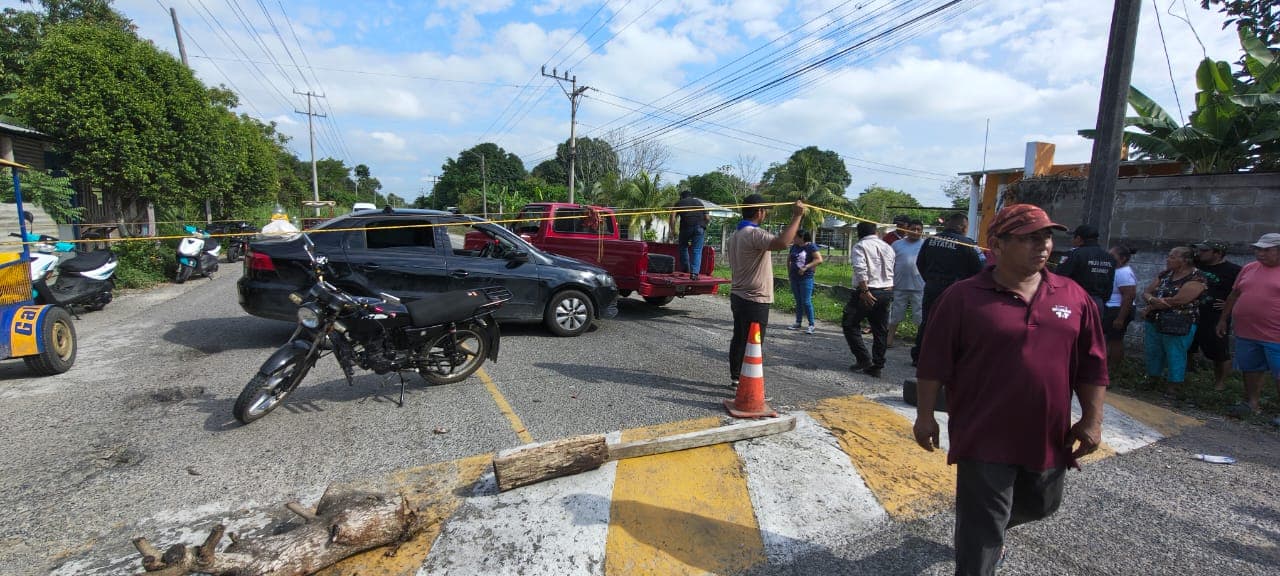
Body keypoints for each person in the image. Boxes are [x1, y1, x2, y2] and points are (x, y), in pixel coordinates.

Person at [912, 204, 1107, 576]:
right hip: (983, 431)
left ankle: (990, 528)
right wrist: (925, 416)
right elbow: (933, 362)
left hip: (1048, 432)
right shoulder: (963, 297)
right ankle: (982, 543)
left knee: (1043, 504)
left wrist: (1092, 419)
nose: (1043, 245)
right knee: (981, 527)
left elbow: (1093, 363)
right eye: (1029, 238)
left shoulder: (1072, 295)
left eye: (1047, 236)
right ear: (997, 245)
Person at [726, 194, 805, 388]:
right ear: (759, 212)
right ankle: (747, 384)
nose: (765, 214)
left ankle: (737, 378)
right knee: (753, 344)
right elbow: (782, 243)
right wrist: (797, 216)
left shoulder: (735, 235)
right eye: (765, 211)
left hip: (739, 295)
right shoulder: (754, 234)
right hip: (754, 299)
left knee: (740, 338)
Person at [1218, 233, 1280, 422]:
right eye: (1258, 249)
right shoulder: (1249, 268)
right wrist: (1223, 319)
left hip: (1276, 333)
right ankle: (1252, 403)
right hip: (1247, 332)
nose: (1260, 253)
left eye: (1266, 250)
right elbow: (1234, 295)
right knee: (1251, 369)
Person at [911, 212, 982, 366]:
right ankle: (946, 358)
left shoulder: (931, 240)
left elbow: (920, 263)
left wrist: (930, 279)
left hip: (932, 287)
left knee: (928, 321)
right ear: (964, 227)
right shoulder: (967, 244)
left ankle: (919, 356)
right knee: (952, 324)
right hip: (955, 290)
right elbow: (980, 268)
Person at [1139, 247, 1208, 397]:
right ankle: (1152, 379)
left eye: (1172, 257)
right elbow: (1146, 292)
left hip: (1179, 321)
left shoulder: (1197, 277)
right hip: (1155, 320)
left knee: (1175, 352)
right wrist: (1152, 300)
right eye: (1169, 256)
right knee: (1154, 351)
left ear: (1185, 261)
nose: (1167, 259)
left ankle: (1174, 386)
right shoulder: (1165, 274)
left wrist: (1151, 305)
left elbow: (1181, 299)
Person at [843, 220, 895, 378]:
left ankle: (864, 359)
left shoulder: (860, 246)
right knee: (880, 329)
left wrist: (864, 290)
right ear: (876, 232)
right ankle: (877, 365)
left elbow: (860, 268)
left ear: (859, 233)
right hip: (886, 290)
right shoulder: (887, 246)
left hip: (868, 290)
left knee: (850, 323)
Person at [1190, 240, 1242, 391]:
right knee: (1188, 347)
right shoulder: (1196, 266)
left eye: (1204, 251)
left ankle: (1220, 383)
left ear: (1218, 253)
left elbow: (1245, 291)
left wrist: (1231, 305)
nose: (1200, 253)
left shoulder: (1234, 270)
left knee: (1219, 352)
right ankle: (1188, 374)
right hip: (1193, 312)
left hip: (1215, 316)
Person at [1055, 224, 1116, 312]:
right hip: (1098, 303)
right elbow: (1110, 284)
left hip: (1076, 301)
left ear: (1079, 239)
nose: (1072, 240)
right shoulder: (1109, 257)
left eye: (1074, 237)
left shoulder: (1074, 254)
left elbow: (1059, 278)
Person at [888, 219, 925, 348]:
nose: (915, 232)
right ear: (907, 229)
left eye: (918, 230)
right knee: (896, 314)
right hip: (899, 285)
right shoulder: (897, 244)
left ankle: (920, 342)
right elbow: (890, 264)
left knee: (919, 316)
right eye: (913, 229)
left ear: (922, 232)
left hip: (919, 286)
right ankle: (889, 339)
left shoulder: (925, 244)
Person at [1103, 245, 1138, 371]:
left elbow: (1129, 296)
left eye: (1112, 256)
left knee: (1115, 341)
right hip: (1111, 309)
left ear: (1122, 259)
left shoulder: (1124, 273)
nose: (1109, 258)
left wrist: (1120, 318)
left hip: (1118, 310)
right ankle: (1106, 367)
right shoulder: (1115, 270)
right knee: (1108, 339)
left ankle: (1113, 369)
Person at [788, 230, 824, 334]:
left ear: (802, 237)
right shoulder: (794, 247)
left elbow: (819, 259)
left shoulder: (811, 247)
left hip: (806, 278)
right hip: (794, 277)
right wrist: (789, 273)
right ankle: (798, 322)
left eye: (796, 237)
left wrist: (806, 267)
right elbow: (789, 260)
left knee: (806, 301)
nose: (794, 239)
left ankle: (811, 324)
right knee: (798, 301)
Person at [670, 190, 710, 280]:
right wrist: (702, 226)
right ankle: (694, 274)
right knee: (697, 250)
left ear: (681, 197)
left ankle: (685, 269)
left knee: (683, 247)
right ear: (691, 196)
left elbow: (672, 217)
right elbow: (707, 218)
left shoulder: (679, 203)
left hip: (686, 227)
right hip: (699, 227)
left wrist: (672, 231)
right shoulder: (699, 203)